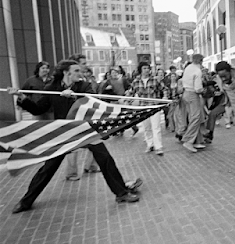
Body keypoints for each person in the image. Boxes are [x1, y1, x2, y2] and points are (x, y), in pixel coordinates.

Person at [7, 60, 141, 214]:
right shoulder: (52, 88)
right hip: (65, 132)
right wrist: (21, 97)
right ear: (66, 72)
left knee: (105, 159)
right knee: (48, 168)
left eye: (80, 70)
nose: (80, 73)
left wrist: (73, 98)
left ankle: (121, 193)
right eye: (76, 70)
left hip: (85, 130)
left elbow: (93, 102)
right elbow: (38, 109)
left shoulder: (83, 87)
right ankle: (26, 201)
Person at [66, 54, 100, 179]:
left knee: (95, 139)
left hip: (88, 115)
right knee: (73, 145)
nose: (86, 66)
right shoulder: (65, 83)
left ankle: (91, 166)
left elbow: (92, 95)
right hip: (72, 118)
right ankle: (71, 172)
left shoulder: (87, 80)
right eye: (83, 63)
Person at [127, 61, 167, 155]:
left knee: (156, 127)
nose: (147, 70)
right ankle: (150, 144)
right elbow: (130, 92)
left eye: (148, 68)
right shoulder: (136, 81)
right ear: (140, 70)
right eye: (144, 68)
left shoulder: (155, 80)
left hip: (154, 106)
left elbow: (164, 89)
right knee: (147, 127)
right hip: (143, 107)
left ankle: (159, 147)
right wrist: (126, 99)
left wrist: (165, 96)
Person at [180, 54, 207, 153]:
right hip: (192, 94)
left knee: (194, 117)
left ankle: (197, 140)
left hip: (185, 93)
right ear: (200, 61)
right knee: (196, 118)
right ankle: (188, 140)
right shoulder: (198, 71)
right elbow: (198, 88)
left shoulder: (188, 67)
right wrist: (203, 90)